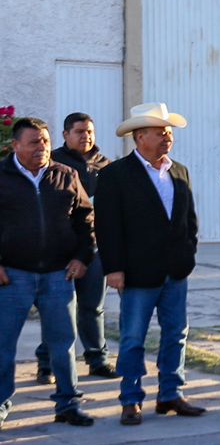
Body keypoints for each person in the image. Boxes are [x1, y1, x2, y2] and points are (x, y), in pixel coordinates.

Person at [96, 103, 203, 424]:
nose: (167, 137)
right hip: (136, 273)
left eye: (168, 132)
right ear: (139, 136)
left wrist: (188, 252)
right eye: (160, 132)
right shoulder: (115, 175)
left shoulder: (179, 170)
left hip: (176, 271)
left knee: (176, 334)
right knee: (132, 338)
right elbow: (107, 226)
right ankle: (131, 398)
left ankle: (171, 394)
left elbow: (189, 221)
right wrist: (113, 268)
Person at [0, 117, 95, 427]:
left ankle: (67, 403)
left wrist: (82, 257)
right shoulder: (2, 176)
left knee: (63, 343)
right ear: (15, 146)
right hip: (13, 275)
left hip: (58, 274)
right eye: (33, 142)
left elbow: (85, 220)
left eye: (44, 140)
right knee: (3, 343)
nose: (41, 146)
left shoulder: (66, 175)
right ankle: (1, 403)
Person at [34, 112, 112, 383]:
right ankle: (47, 363)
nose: (86, 136)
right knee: (56, 308)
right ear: (66, 135)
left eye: (89, 131)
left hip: (95, 247)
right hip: (62, 250)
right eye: (79, 131)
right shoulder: (53, 164)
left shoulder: (106, 165)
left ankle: (97, 358)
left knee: (93, 307)